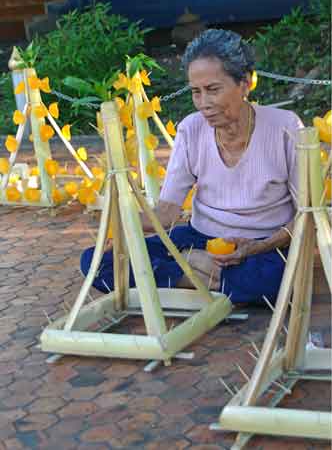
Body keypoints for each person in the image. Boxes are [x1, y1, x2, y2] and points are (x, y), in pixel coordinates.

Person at [81, 28, 303, 305]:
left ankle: (185, 282)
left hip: (264, 244)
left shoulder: (285, 127)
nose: (203, 104)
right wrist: (120, 227)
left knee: (274, 279)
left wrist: (255, 247)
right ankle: (202, 279)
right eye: (196, 92)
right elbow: (167, 212)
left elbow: (306, 216)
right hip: (198, 241)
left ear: (245, 83)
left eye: (213, 90)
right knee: (96, 263)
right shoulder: (191, 129)